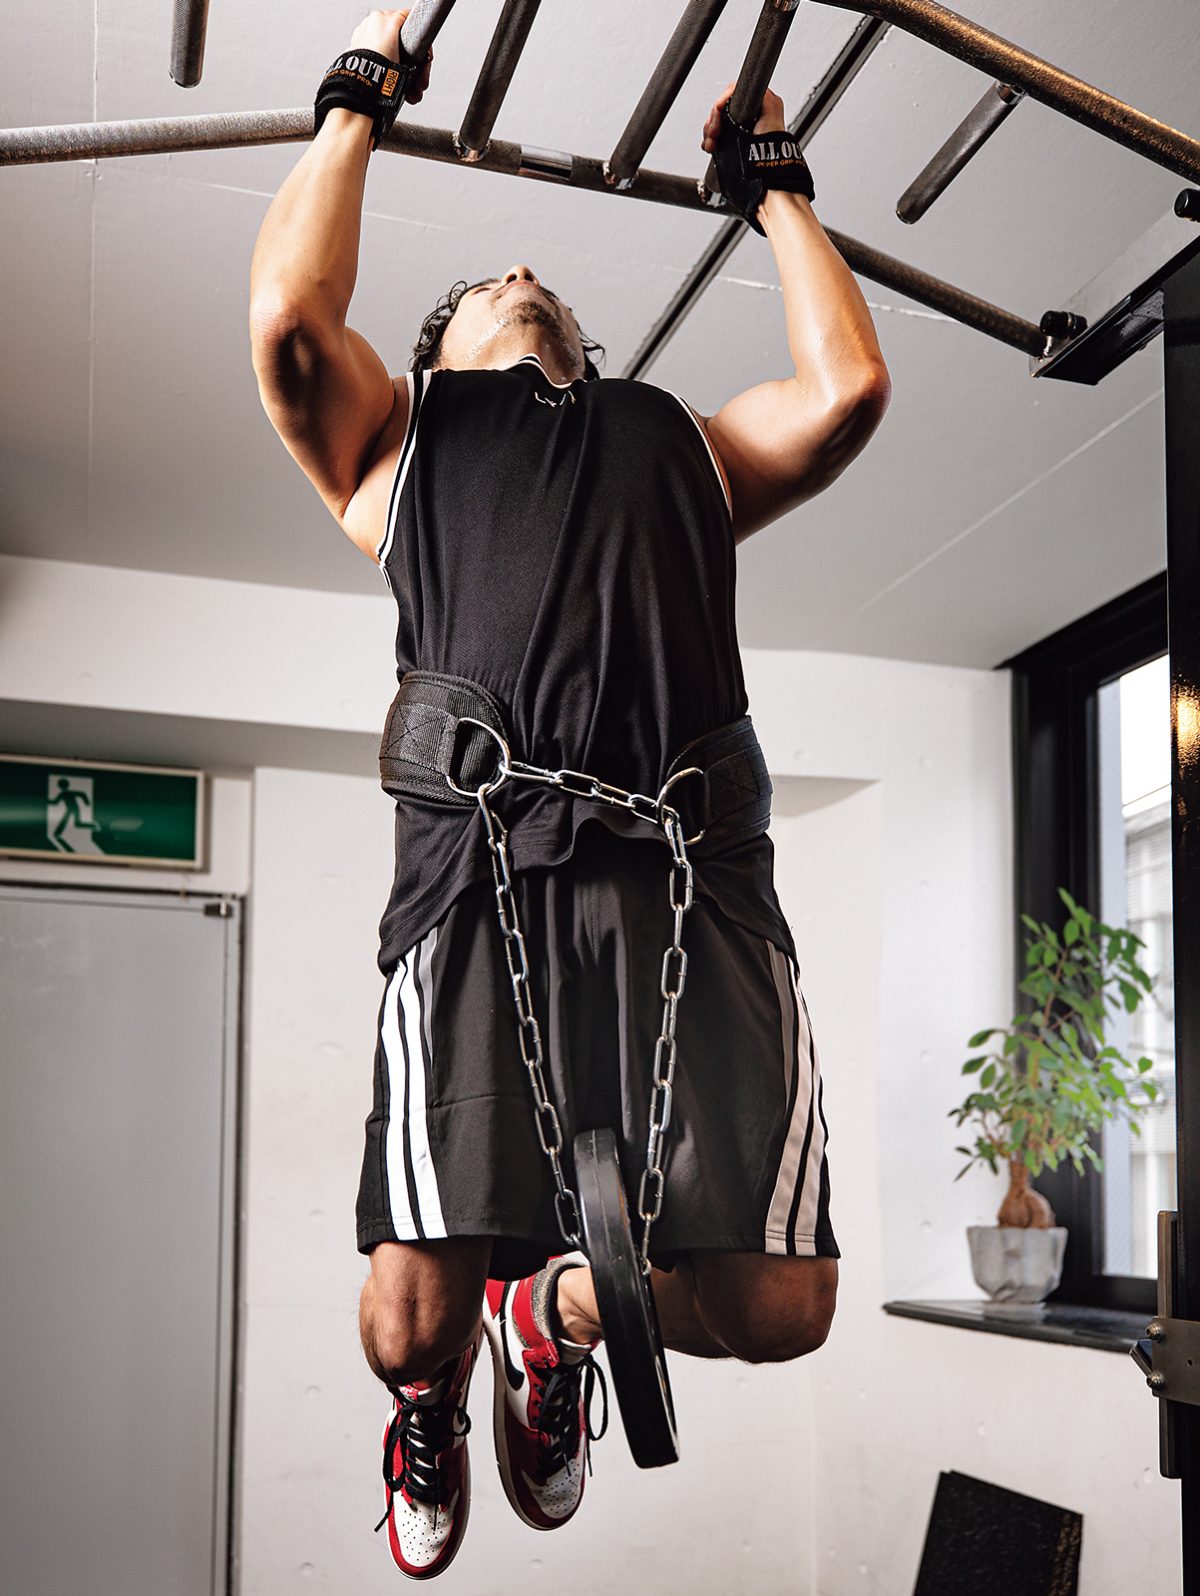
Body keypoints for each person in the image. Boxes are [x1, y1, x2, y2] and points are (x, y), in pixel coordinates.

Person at [250, 8, 890, 1580]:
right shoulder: (400, 458)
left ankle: (562, 1314)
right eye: (474, 289)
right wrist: (362, 93)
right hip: (481, 883)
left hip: (690, 887)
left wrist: (772, 182)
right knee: (408, 1321)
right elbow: (284, 311)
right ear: (435, 355)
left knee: (782, 1312)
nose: (514, 271)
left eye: (537, 288)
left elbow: (850, 385)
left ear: (590, 355)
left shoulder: (679, 446)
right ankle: (441, 1405)